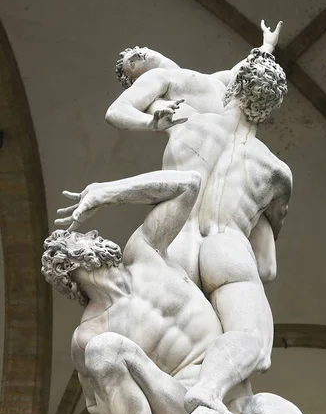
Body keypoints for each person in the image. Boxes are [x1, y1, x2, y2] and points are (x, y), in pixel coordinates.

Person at [42, 170, 311, 414]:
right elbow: (102, 406)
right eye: (76, 241)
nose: (90, 237)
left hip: (236, 402)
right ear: (65, 273)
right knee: (104, 350)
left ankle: (209, 390)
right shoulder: (91, 332)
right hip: (178, 406)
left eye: (86, 235)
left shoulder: (145, 252)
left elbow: (188, 185)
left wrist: (106, 191)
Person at [105, 21, 291, 414]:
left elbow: (132, 108)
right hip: (229, 247)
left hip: (175, 242)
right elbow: (268, 267)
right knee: (249, 339)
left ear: (231, 90)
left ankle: (167, 409)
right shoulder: (277, 172)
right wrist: (265, 49)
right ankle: (209, 391)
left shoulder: (188, 119)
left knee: (172, 341)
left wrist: (151, 121)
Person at [108, 20, 280, 286]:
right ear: (135, 78)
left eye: (138, 51)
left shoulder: (212, 80)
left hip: (235, 164)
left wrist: (267, 46)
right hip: (205, 165)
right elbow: (116, 112)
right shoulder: (160, 81)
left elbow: (248, 72)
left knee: (264, 261)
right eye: (134, 62)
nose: (140, 54)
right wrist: (149, 123)